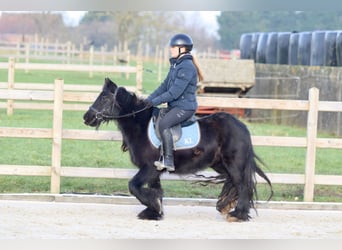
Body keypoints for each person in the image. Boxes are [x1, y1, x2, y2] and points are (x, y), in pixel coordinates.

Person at [146, 33, 204, 172]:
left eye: (173, 47)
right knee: (156, 116)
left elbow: (174, 93)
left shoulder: (187, 67)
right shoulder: (176, 65)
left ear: (182, 49)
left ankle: (168, 160)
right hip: (175, 106)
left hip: (185, 108)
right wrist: (147, 100)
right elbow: (164, 86)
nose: (171, 49)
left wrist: (154, 102)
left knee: (165, 123)